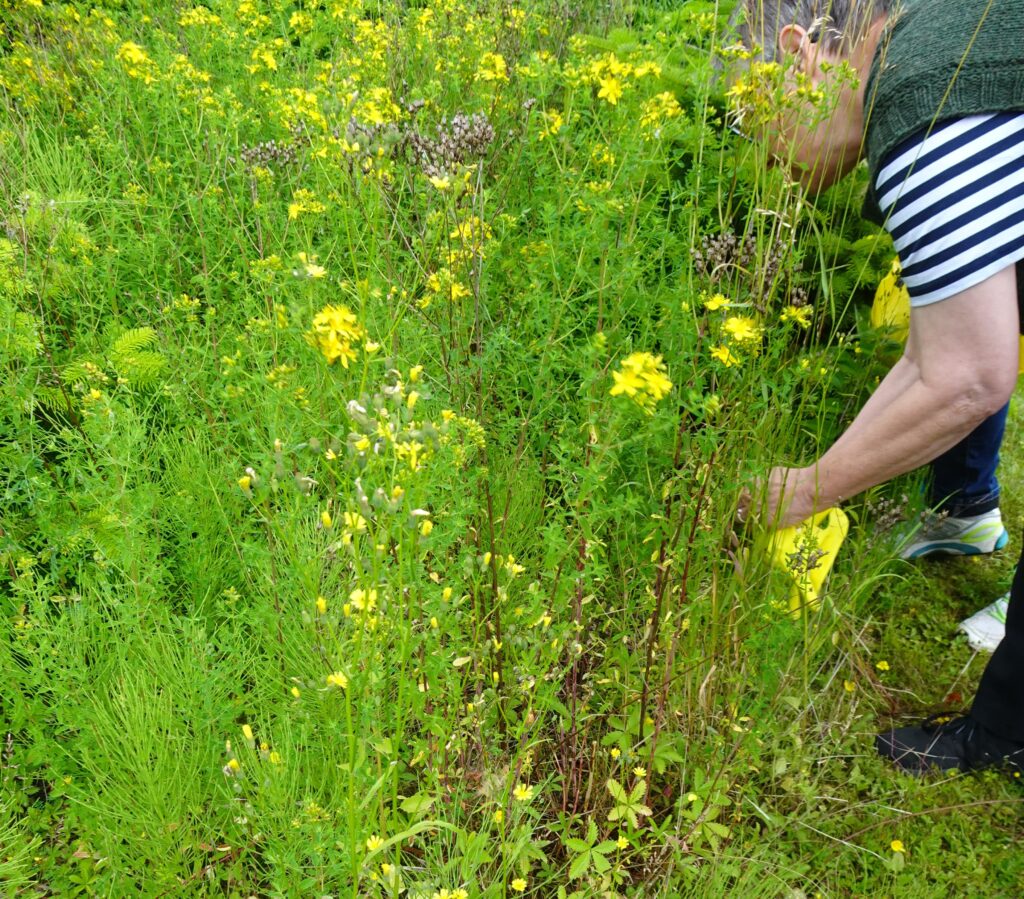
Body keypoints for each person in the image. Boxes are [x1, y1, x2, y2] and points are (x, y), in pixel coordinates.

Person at [733, 0, 1024, 773]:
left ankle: (1005, 736)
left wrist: (804, 490)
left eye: (752, 124)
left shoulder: (919, 90)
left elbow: (970, 379)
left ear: (799, 57)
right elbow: (931, 361)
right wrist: (816, 481)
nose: (766, 162)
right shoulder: (937, 41)